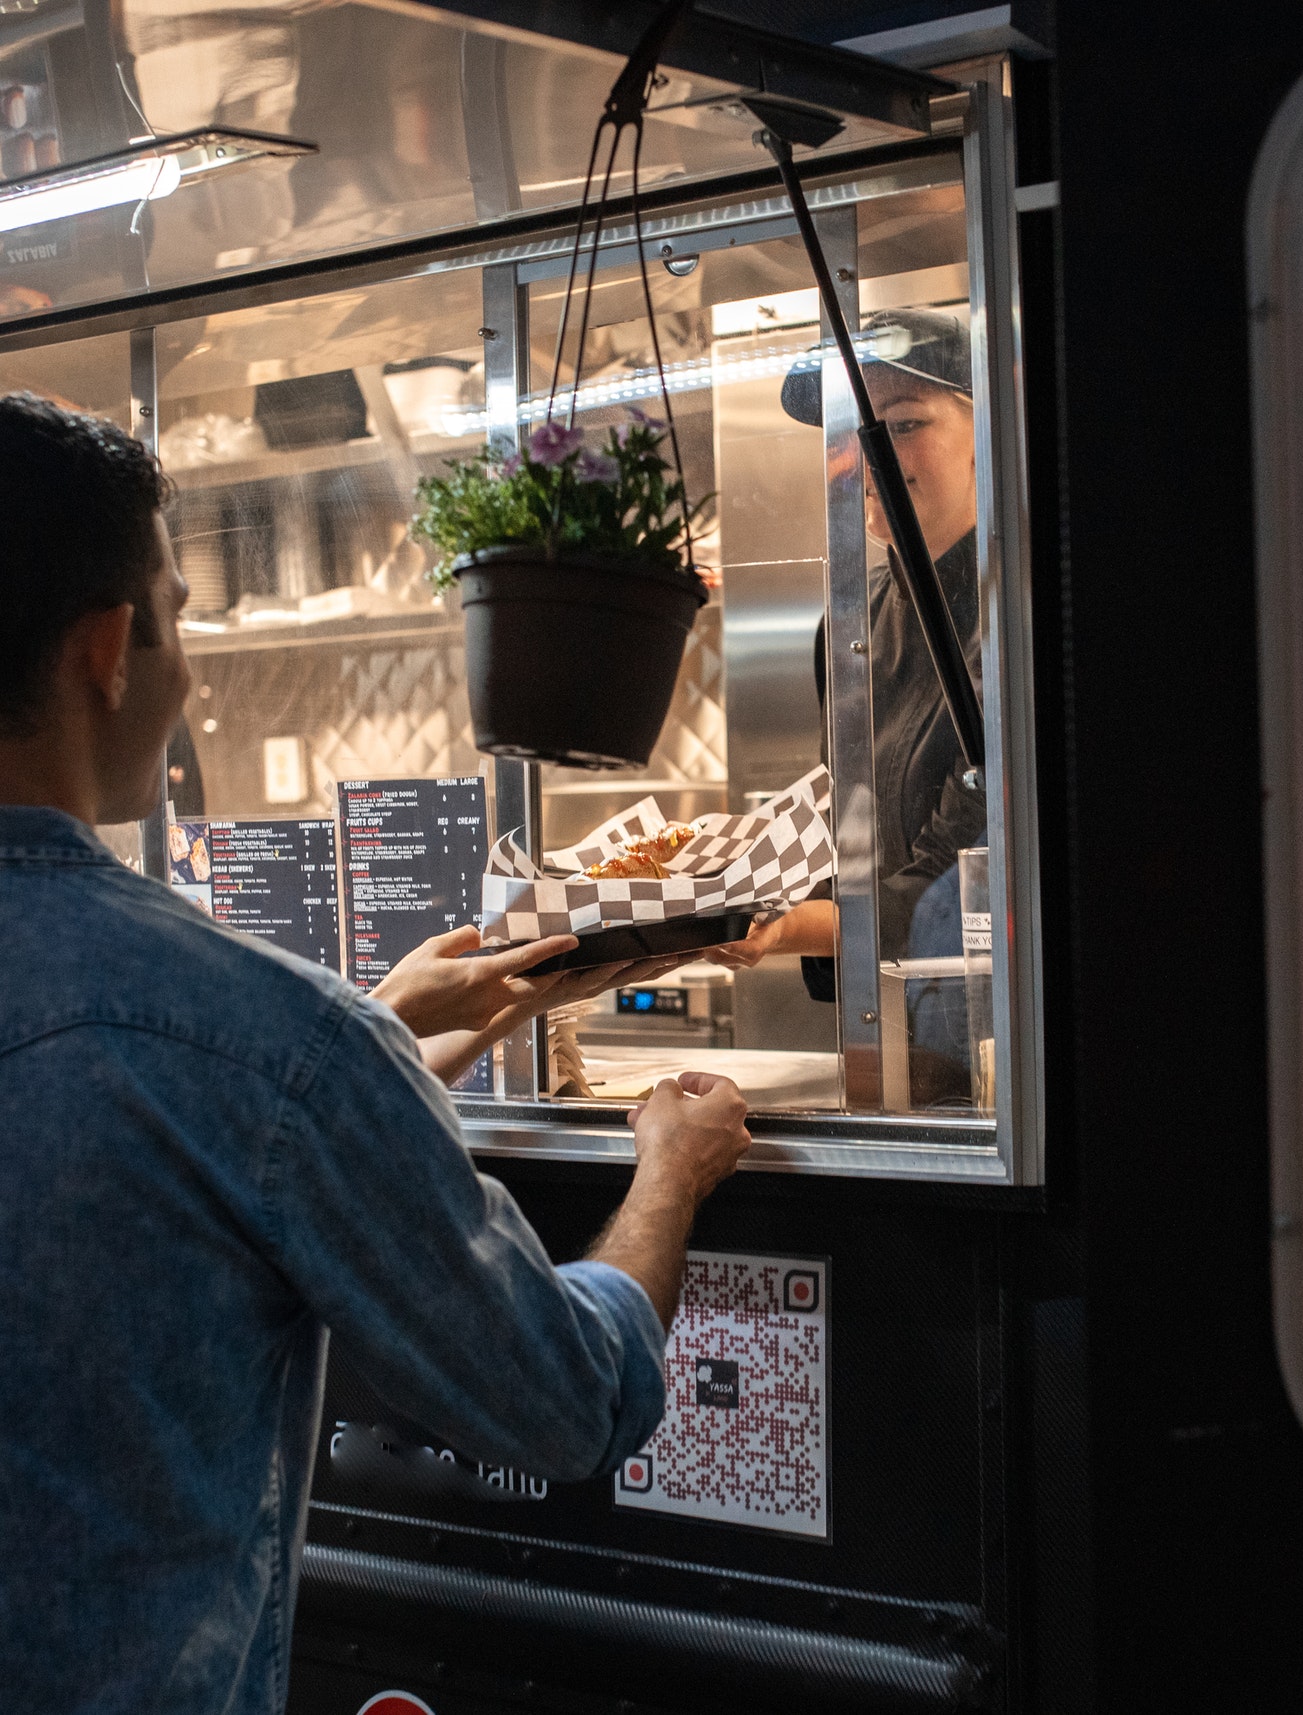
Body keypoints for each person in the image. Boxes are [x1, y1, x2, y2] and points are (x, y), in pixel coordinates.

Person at [0, 392, 751, 1713]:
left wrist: (373, 1033)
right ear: (109, 648)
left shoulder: (275, 1046)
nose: (190, 675)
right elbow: (563, 1398)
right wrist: (669, 1173)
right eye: (180, 616)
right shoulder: (261, 1037)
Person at [709, 310, 986, 1097]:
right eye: (844, 433)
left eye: (901, 425)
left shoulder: (1022, 612)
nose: (865, 458)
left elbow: (960, 876)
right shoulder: (851, 618)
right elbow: (846, 840)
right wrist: (730, 880)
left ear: (985, 432)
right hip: (891, 1035)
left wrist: (777, 925)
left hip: (1009, 1037)